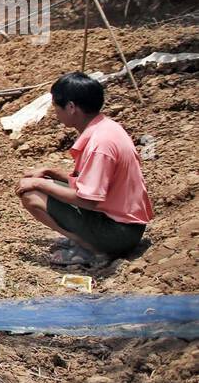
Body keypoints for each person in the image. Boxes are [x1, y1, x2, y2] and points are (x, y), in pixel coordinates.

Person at [17, 72, 153, 266]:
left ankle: (89, 246)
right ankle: (88, 240)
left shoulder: (100, 145)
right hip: (122, 223)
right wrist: (52, 174)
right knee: (43, 186)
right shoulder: (107, 128)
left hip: (118, 233)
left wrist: (39, 183)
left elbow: (88, 201)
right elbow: (92, 185)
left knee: (32, 194)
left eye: (56, 106)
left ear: (71, 107)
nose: (54, 112)